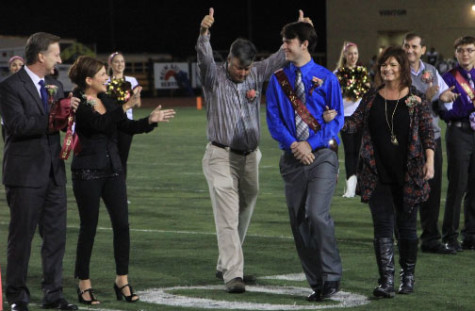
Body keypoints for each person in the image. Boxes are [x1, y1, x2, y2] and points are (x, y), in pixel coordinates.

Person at [197, 7, 312, 294]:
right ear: (229, 61)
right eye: (239, 67)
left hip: (250, 157)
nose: (244, 73)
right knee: (227, 212)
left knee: (245, 207)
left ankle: (226, 260)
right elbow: (203, 56)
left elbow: (280, 56)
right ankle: (233, 273)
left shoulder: (255, 73)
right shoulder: (213, 76)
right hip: (220, 155)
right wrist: (204, 33)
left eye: (247, 68)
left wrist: (299, 31)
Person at [68, 56, 175, 304]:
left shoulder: (107, 99)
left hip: (113, 170)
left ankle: (122, 280)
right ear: (88, 80)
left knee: (122, 225)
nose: (107, 77)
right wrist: (124, 107)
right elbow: (99, 123)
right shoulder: (79, 103)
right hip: (87, 173)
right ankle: (84, 283)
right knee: (89, 228)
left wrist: (149, 122)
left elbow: (124, 127)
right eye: (102, 74)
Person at [342, 47, 434, 298]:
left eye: (393, 65)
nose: (387, 69)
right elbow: (354, 123)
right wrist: (334, 117)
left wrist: (430, 160)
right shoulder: (372, 97)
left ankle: (408, 276)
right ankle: (386, 281)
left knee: (406, 228)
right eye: (384, 65)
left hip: (409, 172)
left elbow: (427, 132)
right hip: (376, 172)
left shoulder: (415, 97)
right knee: (382, 227)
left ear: (402, 67)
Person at [0, 32, 79, 311]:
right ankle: (17, 296)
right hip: (24, 175)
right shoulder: (9, 87)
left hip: (54, 174)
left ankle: (53, 293)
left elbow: (58, 126)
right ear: (41, 56)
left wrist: (69, 119)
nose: (60, 59)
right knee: (21, 238)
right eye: (56, 53)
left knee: (56, 237)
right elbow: (17, 126)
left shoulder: (56, 84)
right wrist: (52, 119)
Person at [266, 21, 343, 302]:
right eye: (284, 40)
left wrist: (310, 144)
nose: (284, 46)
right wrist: (295, 146)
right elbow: (274, 120)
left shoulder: (327, 78)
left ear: (304, 44)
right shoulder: (278, 79)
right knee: (299, 221)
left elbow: (338, 121)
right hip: (292, 158)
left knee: (315, 213)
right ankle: (317, 282)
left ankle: (332, 274)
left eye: (288, 41)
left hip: (322, 155)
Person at [402, 33, 458, 255]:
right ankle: (404, 236)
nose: (410, 50)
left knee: (432, 190)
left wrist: (444, 97)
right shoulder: (397, 70)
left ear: (423, 49)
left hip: (430, 138)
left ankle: (430, 238)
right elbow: (400, 101)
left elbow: (443, 93)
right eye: (407, 46)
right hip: (406, 139)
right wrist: (426, 97)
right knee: (406, 190)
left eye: (414, 46)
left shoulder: (431, 72)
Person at [440, 36, 475, 252]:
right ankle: (450, 236)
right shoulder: (447, 77)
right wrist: (468, 109)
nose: (466, 54)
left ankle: (471, 234)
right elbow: (445, 112)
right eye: (461, 50)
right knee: (457, 186)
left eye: (470, 50)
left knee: (474, 187)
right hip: (459, 133)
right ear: (455, 53)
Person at [334, 42, 370, 197]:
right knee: (350, 152)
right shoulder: (338, 73)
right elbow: (333, 95)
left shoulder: (362, 72)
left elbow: (367, 93)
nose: (353, 56)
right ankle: (350, 187)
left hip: (361, 116)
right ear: (345, 55)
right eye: (350, 53)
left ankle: (359, 186)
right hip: (346, 117)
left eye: (355, 53)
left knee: (360, 152)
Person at [107, 52, 139, 195]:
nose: (120, 64)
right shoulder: (105, 81)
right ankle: (108, 190)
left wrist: (132, 96)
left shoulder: (131, 81)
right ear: (110, 64)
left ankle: (120, 193)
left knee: (122, 159)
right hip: (110, 123)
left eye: (122, 62)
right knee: (109, 158)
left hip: (126, 123)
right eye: (116, 62)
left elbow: (137, 103)